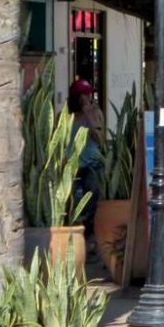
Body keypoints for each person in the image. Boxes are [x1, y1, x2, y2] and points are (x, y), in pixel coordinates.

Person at [68, 80, 104, 247]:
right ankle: (73, 235)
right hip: (73, 164)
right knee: (71, 202)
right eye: (84, 95)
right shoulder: (67, 117)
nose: (87, 98)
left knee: (93, 198)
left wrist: (91, 117)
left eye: (88, 94)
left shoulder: (95, 113)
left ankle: (89, 234)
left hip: (92, 164)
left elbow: (100, 139)